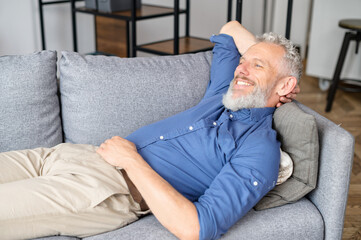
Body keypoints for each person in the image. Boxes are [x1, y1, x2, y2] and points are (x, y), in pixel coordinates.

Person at [0, 21, 301, 240]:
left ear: (286, 85)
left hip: (106, 191)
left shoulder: (259, 150)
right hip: (69, 156)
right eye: (243, 61)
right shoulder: (223, 94)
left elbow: (196, 228)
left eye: (257, 66)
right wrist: (261, 64)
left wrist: (131, 160)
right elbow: (231, 28)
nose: (241, 69)